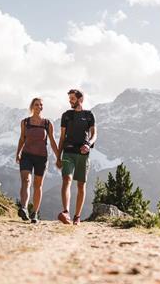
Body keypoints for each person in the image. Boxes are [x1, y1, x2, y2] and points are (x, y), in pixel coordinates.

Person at [56, 89, 97, 225]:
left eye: (72, 98)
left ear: (80, 99)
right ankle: (66, 212)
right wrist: (58, 156)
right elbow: (62, 137)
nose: (70, 101)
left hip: (83, 154)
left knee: (81, 184)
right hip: (68, 152)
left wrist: (89, 144)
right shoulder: (66, 115)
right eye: (69, 98)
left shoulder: (89, 115)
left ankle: (77, 216)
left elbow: (94, 134)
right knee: (66, 179)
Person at [15, 97, 58, 223]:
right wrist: (18, 153)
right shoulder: (25, 122)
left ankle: (34, 213)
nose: (39, 107)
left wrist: (58, 157)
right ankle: (23, 208)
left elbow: (53, 141)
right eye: (36, 105)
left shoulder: (47, 123)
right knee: (26, 180)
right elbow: (22, 139)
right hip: (26, 155)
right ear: (32, 107)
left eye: (41, 105)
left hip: (41, 157)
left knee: (38, 185)